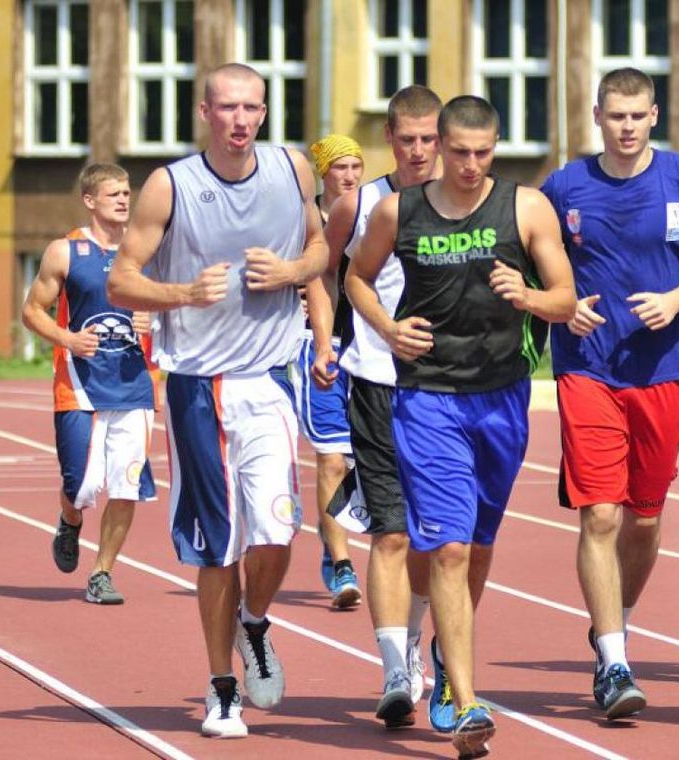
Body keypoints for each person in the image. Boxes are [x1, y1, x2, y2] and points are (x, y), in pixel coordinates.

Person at [345, 95, 576, 758]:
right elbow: (357, 277)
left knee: (474, 546)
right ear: (438, 148)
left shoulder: (526, 208)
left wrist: (527, 296)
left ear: (495, 148)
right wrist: (388, 328)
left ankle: (449, 657)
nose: (471, 166)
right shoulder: (399, 211)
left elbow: (564, 299)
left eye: (484, 153)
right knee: (444, 548)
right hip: (427, 400)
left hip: (501, 399)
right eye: (460, 153)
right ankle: (464, 701)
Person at [107, 63, 327, 739]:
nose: (240, 119)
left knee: (279, 531)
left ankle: (254, 624)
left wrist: (294, 272)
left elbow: (322, 247)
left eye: (251, 108)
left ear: (264, 112)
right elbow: (121, 280)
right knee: (217, 547)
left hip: (270, 379)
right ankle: (222, 688)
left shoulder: (293, 170)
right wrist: (181, 295)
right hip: (201, 386)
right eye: (227, 107)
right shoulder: (171, 185)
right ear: (205, 112)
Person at [540, 67, 679, 719]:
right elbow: (535, 267)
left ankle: (610, 624)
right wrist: (561, 308)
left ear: (654, 116)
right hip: (587, 369)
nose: (625, 126)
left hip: (663, 372)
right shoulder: (565, 186)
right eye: (614, 115)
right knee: (599, 512)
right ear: (596, 115)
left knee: (646, 518)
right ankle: (617, 659)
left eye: (637, 115)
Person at [307, 85, 442, 730]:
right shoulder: (359, 203)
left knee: (441, 539)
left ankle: (426, 645)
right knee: (390, 530)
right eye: (406, 139)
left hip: (452, 390)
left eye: (428, 138)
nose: (417, 151)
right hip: (376, 382)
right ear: (389, 138)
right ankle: (394, 667)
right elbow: (327, 271)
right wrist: (330, 341)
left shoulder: (481, 199)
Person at [20, 162, 158, 606]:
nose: (123, 199)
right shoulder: (65, 251)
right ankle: (70, 521)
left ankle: (102, 573)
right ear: (90, 200)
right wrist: (67, 339)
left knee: (125, 485)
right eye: (114, 193)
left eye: (126, 192)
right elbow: (32, 310)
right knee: (79, 485)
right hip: (79, 388)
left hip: (135, 387)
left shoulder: (145, 253)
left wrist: (155, 317)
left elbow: (179, 306)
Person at [296, 133, 365, 608]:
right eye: (340, 167)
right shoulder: (302, 222)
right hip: (318, 348)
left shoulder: (373, 214)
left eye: (356, 166)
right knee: (332, 458)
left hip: (369, 349)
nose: (349, 175)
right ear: (323, 172)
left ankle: (334, 539)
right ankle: (341, 565)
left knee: (366, 463)